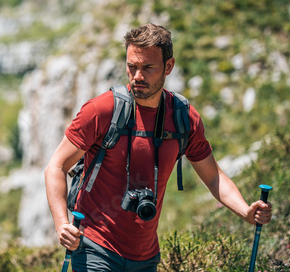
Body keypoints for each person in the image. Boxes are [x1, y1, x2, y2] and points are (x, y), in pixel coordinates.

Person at [44, 23, 272, 271]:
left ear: (169, 66)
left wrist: (245, 211)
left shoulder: (184, 117)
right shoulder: (102, 110)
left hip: (146, 257)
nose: (137, 76)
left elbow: (213, 176)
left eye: (148, 68)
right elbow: (56, 166)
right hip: (94, 249)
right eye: (132, 67)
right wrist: (61, 224)